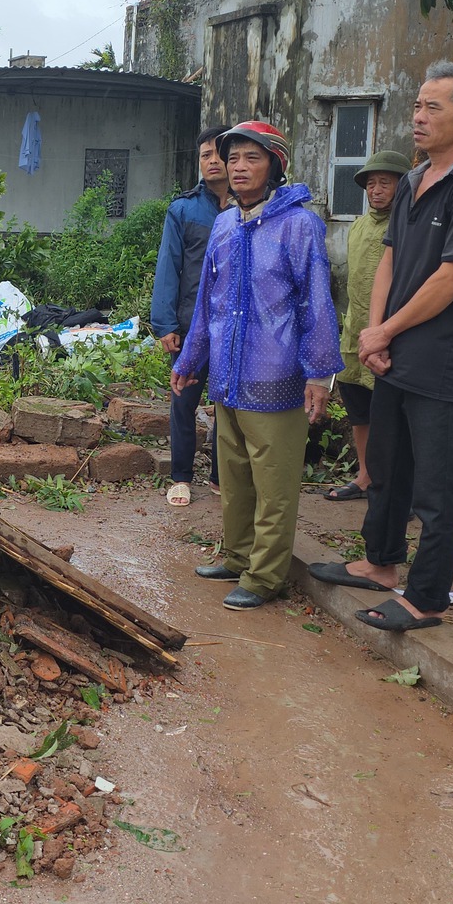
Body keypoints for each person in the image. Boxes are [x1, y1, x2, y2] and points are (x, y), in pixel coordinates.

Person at [308, 62, 453, 633]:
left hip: (439, 360)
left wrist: (385, 332)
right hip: (391, 354)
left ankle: (427, 597)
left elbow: (452, 278)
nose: (418, 116)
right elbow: (389, 261)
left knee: (435, 486)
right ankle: (380, 562)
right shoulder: (414, 181)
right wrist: (374, 334)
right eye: (417, 105)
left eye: (432, 107)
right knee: (386, 466)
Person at [172, 121, 342, 611]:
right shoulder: (225, 223)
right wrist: (191, 357)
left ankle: (266, 576)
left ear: (275, 166)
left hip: (277, 374)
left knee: (274, 483)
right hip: (229, 374)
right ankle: (238, 555)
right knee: (234, 474)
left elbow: (316, 302)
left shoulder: (299, 225)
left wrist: (319, 374)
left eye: (253, 158)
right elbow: (208, 300)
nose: (239, 167)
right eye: (233, 158)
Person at [151, 125, 232, 506]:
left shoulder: (250, 207)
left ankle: (220, 476)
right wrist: (165, 323)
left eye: (219, 153)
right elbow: (168, 267)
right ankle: (181, 476)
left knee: (229, 405)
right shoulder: (183, 209)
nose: (212, 161)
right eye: (205, 155)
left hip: (234, 325)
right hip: (191, 325)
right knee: (184, 402)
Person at [324, 150, 412, 503]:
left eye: (385, 183)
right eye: (371, 184)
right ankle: (365, 476)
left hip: (393, 335)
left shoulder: (409, 225)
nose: (376, 190)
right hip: (354, 333)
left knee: (394, 415)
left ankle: (399, 488)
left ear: (402, 186)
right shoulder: (359, 226)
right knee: (359, 411)